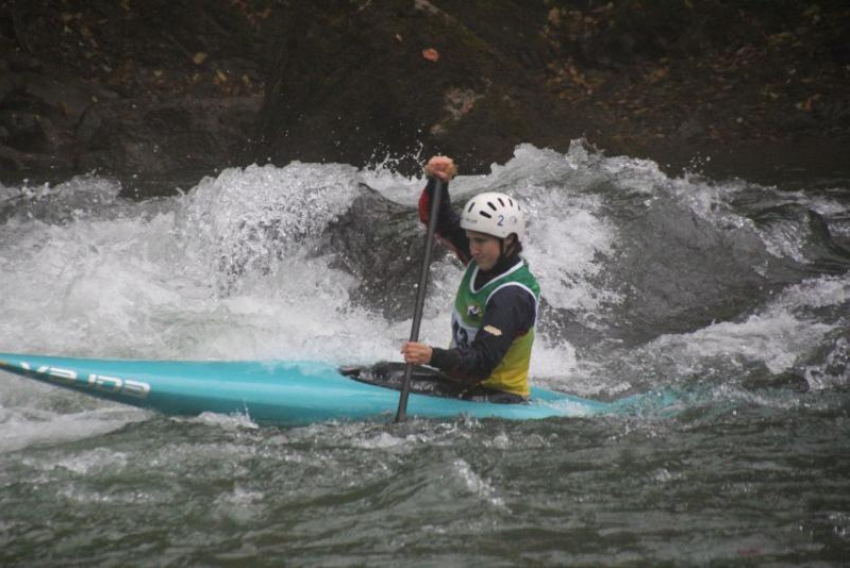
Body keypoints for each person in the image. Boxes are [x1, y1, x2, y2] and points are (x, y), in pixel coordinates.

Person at [400, 156, 540, 403]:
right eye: (470, 239)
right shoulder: (487, 256)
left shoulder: (512, 295)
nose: (472, 249)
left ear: (508, 240)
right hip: (460, 383)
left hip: (496, 397)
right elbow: (437, 220)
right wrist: (439, 182)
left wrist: (432, 356)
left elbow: (481, 364)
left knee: (384, 375)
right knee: (380, 370)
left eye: (480, 241)